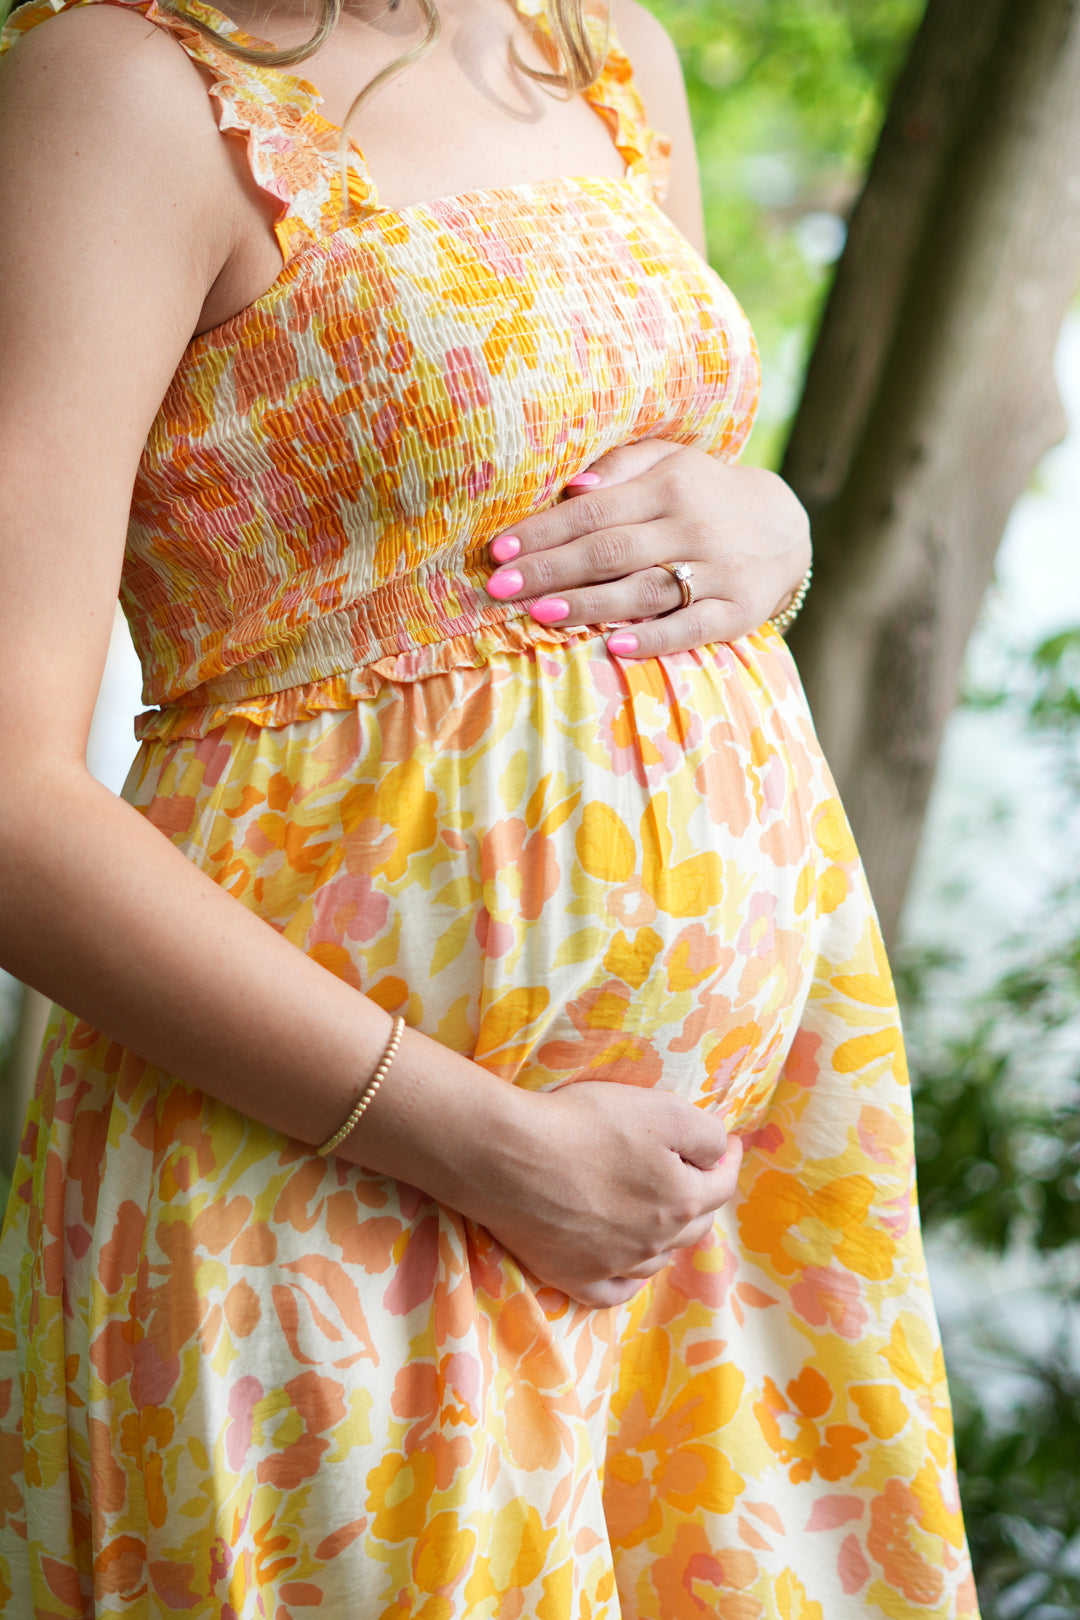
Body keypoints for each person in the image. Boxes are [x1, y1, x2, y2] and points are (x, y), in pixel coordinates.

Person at [0, 0, 978, 1612]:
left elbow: (664, 483)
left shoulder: (603, 51)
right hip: (332, 1172)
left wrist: (777, 531)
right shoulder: (124, 89)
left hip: (709, 1213)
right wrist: (499, 1150)